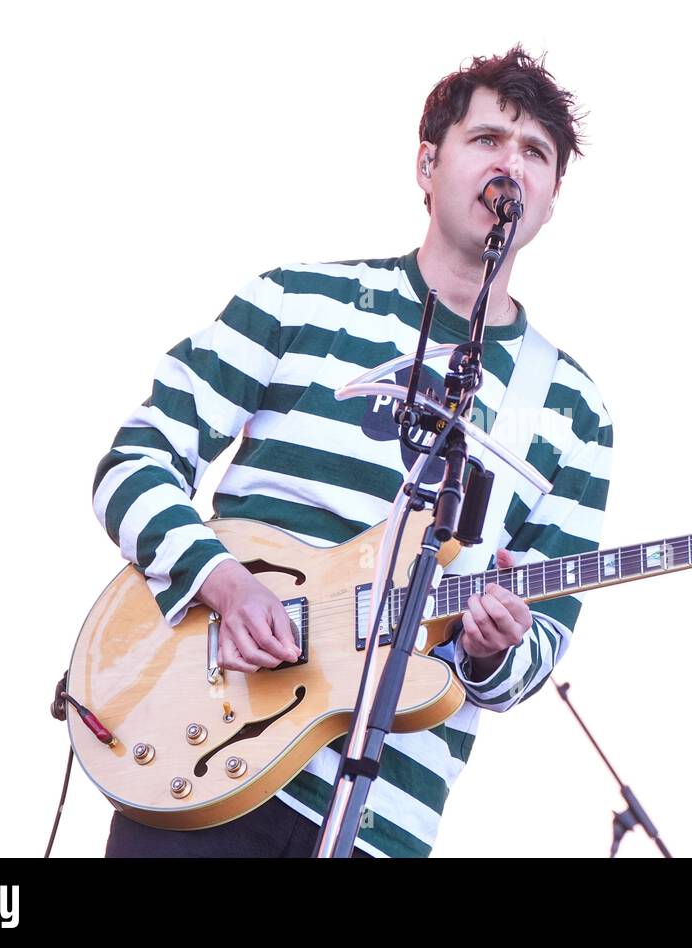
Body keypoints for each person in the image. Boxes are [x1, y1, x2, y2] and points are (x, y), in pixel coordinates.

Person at [93, 45, 613, 857]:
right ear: (427, 162)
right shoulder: (298, 298)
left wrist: (493, 646)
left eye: (535, 153)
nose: (511, 165)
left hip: (378, 828)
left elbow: (538, 650)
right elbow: (137, 456)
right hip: (202, 765)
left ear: (549, 201)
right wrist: (223, 583)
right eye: (487, 140)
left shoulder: (572, 412)